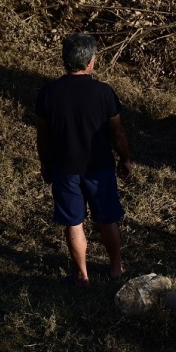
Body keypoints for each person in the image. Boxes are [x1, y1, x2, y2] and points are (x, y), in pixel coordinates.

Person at [35, 33, 133, 286]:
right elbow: (117, 131)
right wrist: (125, 158)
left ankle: (82, 274)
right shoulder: (103, 92)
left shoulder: (48, 93)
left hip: (64, 168)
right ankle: (115, 268)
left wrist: (44, 162)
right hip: (98, 166)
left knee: (74, 222)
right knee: (107, 218)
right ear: (89, 61)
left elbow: (42, 134)